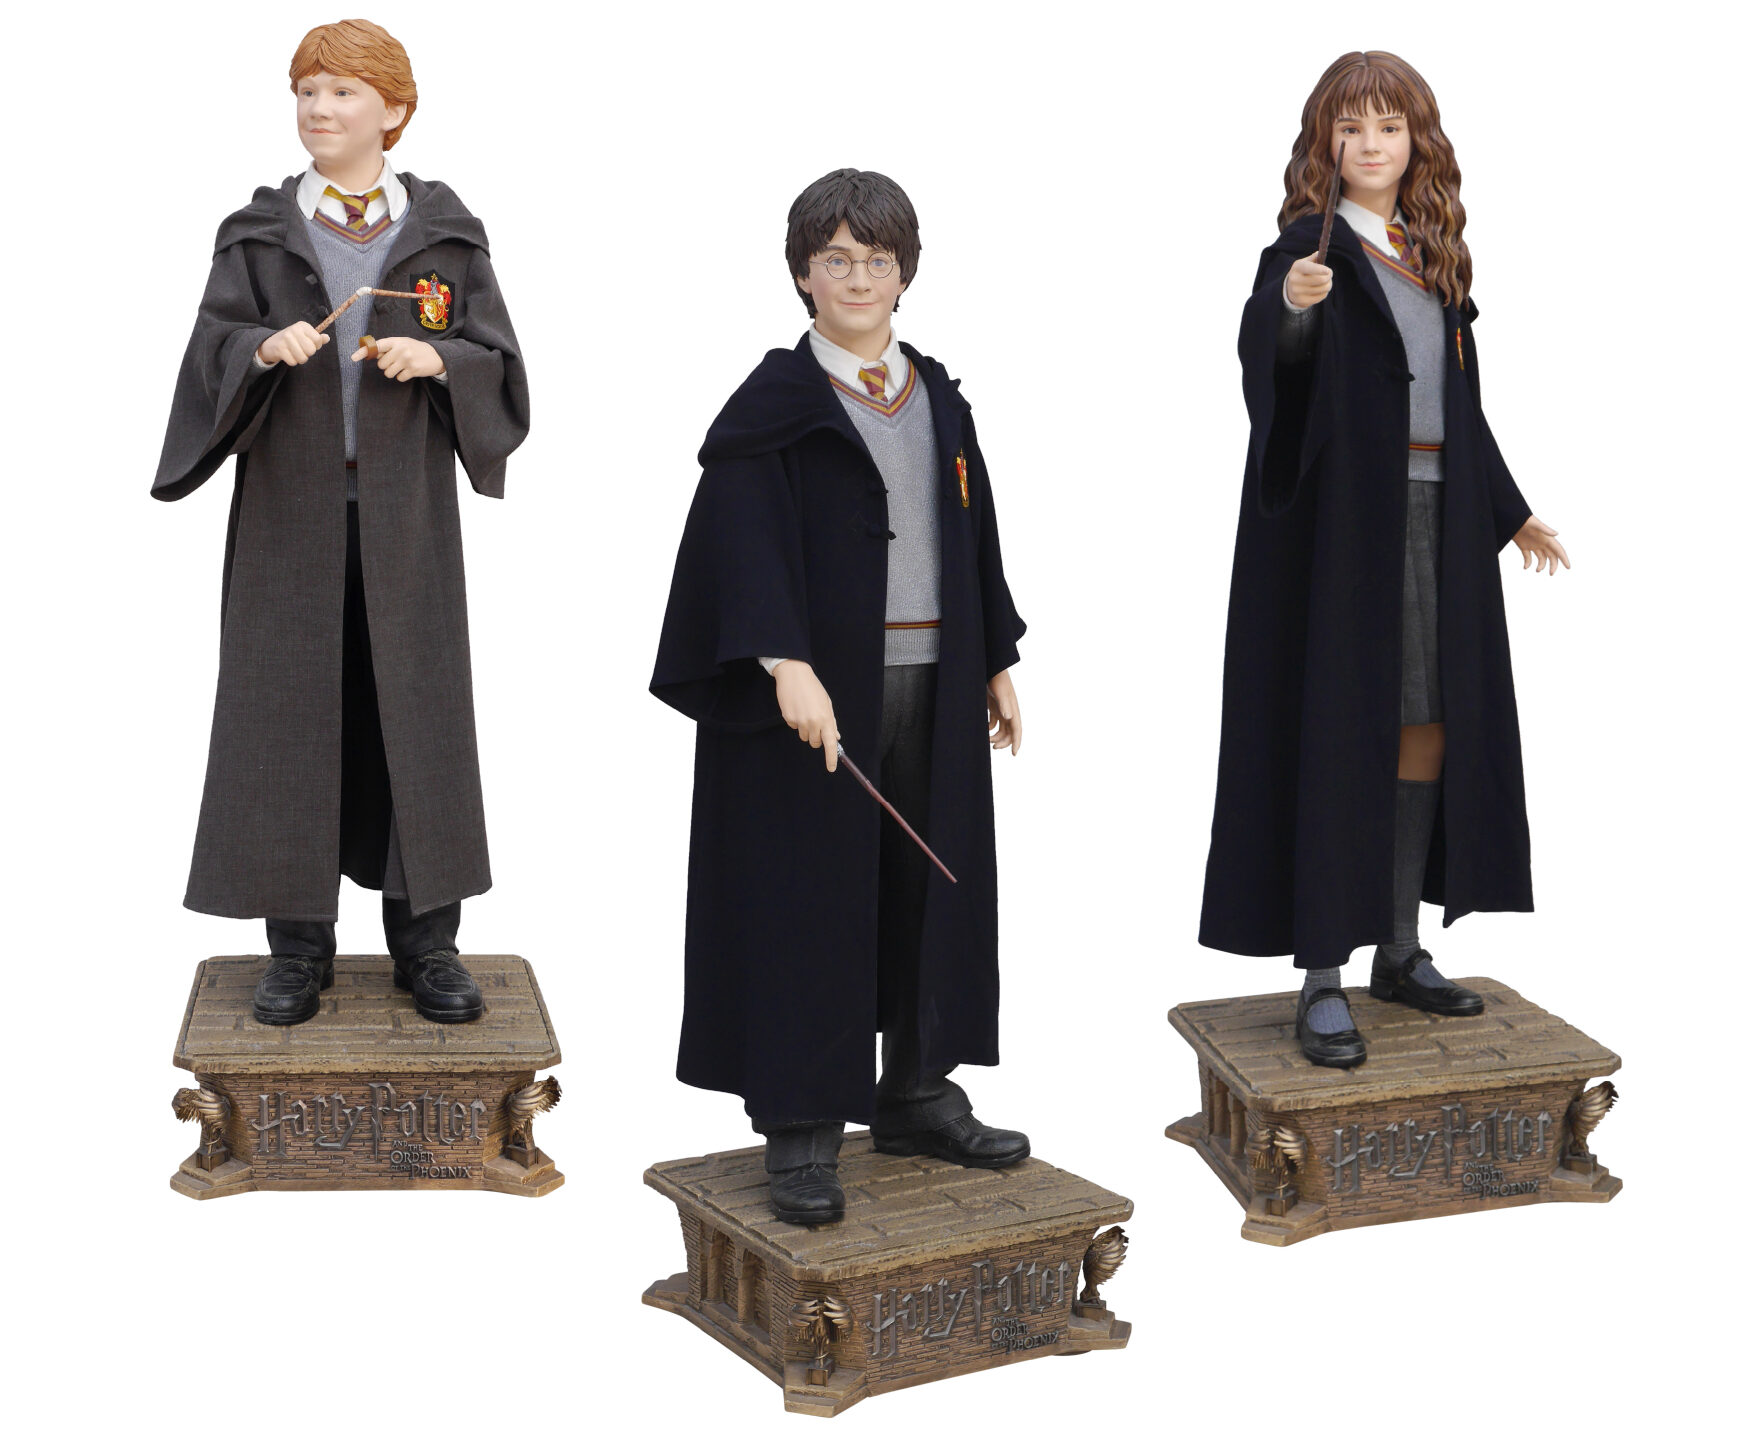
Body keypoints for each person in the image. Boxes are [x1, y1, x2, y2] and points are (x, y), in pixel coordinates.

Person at [651, 169, 1030, 1224]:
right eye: (835, 260)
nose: (857, 278)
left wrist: (995, 656)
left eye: (876, 259)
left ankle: (914, 1091)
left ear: (904, 273)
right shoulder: (774, 410)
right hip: (815, 701)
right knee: (808, 902)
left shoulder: (938, 397)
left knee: (923, 889)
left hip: (933, 683)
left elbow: (974, 530)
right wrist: (783, 660)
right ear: (802, 276)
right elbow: (741, 546)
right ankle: (804, 1125)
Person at [1198, 51, 1570, 1068]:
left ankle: (1399, 949)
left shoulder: (1430, 255)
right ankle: (1323, 974)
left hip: (1440, 522)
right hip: (1343, 532)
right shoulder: (1306, 250)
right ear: (1324, 141)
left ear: (1417, 143)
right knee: (1339, 730)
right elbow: (1267, 368)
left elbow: (1461, 406)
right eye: (1351, 127)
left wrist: (1509, 512)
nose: (1370, 145)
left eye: (1389, 127)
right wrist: (1292, 311)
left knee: (1430, 728)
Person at [153, 19, 528, 1027]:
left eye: (343, 92)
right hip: (289, 515)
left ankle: (427, 943)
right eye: (307, 91)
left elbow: (500, 364)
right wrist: (255, 349)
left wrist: (439, 359)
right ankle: (297, 949)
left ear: (393, 110)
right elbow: (208, 352)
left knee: (418, 714)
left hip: (408, 520)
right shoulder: (259, 233)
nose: (319, 109)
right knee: (287, 715)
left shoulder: (444, 235)